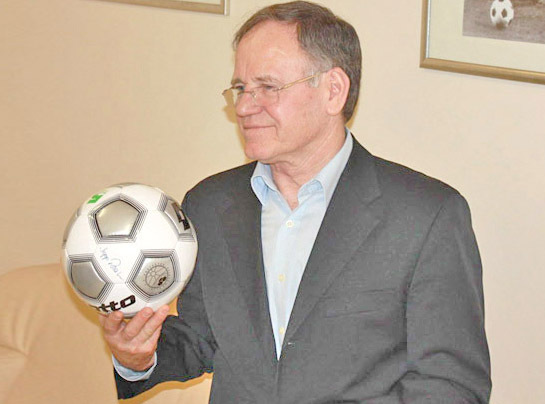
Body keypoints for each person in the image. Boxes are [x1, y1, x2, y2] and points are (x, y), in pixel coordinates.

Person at [100, 1, 491, 402]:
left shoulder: (426, 217)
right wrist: (137, 357)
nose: (243, 107)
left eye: (268, 87)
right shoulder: (209, 205)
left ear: (333, 91)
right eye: (241, 88)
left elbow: (452, 386)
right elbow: (202, 335)